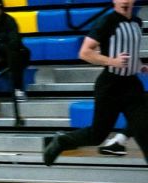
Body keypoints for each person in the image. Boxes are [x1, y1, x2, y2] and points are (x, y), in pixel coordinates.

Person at [43, 0, 148, 165]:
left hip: (132, 86)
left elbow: (130, 54)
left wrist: (140, 66)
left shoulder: (137, 23)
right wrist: (112, 61)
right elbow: (84, 53)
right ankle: (63, 140)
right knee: (97, 136)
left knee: (145, 134)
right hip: (110, 86)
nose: (125, 1)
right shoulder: (106, 21)